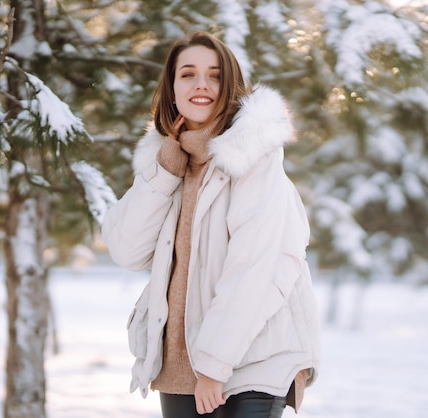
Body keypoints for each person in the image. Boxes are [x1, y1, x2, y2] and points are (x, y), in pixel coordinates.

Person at [101, 31, 320, 418]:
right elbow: (127, 249)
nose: (201, 84)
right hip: (180, 364)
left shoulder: (254, 157)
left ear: (230, 86)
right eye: (188, 74)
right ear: (172, 88)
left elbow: (256, 267)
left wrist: (214, 365)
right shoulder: (168, 162)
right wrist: (165, 169)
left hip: (254, 358)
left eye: (214, 75)